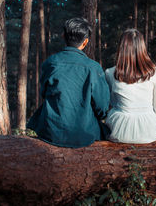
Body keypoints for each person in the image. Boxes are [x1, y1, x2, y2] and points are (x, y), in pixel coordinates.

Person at [27, 17, 110, 148]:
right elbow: (102, 106)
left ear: (63, 36)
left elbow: (44, 92)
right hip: (84, 134)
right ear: (85, 42)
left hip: (51, 132)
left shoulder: (51, 62)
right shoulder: (94, 68)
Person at [105, 29, 156, 144]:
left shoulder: (110, 73)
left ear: (121, 48)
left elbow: (110, 103)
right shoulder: (153, 72)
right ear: (142, 48)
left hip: (120, 130)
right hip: (148, 130)